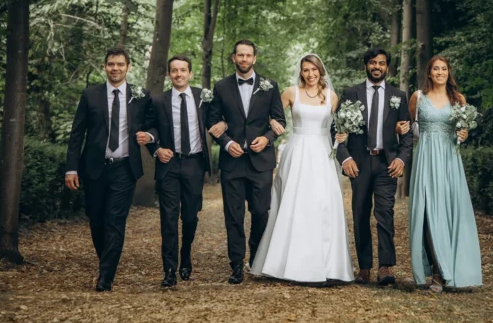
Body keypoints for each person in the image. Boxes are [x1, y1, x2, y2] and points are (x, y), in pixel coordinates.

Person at [249, 54, 354, 284]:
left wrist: (341, 135)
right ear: (301, 71)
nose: (310, 74)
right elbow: (266, 112)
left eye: (314, 69)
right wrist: (272, 122)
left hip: (322, 154)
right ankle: (285, 264)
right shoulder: (290, 93)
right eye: (306, 70)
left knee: (322, 203)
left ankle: (326, 265)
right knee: (294, 203)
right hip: (297, 151)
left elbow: (338, 127)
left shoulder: (332, 97)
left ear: (320, 71)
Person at [65, 48, 154, 292]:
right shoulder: (90, 95)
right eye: (111, 64)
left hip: (125, 167)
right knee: (96, 219)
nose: (115, 69)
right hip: (94, 167)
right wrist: (71, 168)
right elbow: (77, 134)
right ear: (104, 67)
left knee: (115, 220)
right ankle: (106, 260)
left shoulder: (140, 95)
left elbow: (153, 125)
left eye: (120, 65)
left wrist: (150, 135)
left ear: (129, 67)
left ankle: (106, 276)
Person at [205, 40, 287, 284]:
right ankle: (236, 265)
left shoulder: (269, 86)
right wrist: (228, 143)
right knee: (234, 215)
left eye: (248, 55)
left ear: (254, 58)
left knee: (261, 212)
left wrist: (267, 138)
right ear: (233, 58)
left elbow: (280, 121)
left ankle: (257, 258)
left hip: (261, 163)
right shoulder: (221, 87)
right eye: (240, 55)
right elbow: (213, 121)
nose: (244, 59)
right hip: (232, 164)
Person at [336, 48, 414, 285]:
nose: (377, 66)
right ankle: (365, 268)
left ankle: (386, 267)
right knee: (360, 213)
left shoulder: (398, 96)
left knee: (385, 213)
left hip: (386, 163)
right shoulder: (351, 94)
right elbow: (336, 130)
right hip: (359, 163)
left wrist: (401, 159)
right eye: (372, 63)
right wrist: (345, 158)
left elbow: (407, 134)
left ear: (387, 67)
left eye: (381, 63)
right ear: (366, 66)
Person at [408, 55, 482, 292]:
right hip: (426, 159)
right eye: (435, 69)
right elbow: (410, 130)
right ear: (429, 73)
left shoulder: (458, 99)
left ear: (449, 73)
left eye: (444, 69)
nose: (440, 72)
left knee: (451, 213)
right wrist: (403, 128)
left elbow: (463, 130)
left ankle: (455, 269)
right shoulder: (418, 97)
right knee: (428, 212)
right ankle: (438, 273)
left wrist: (464, 134)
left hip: (449, 160)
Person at [141, 55, 213, 289]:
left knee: (190, 217)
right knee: (168, 218)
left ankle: (186, 253)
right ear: (169, 74)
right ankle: (169, 269)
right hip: (169, 164)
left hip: (194, 164)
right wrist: (156, 148)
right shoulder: (159, 100)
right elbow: (150, 128)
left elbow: (218, 118)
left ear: (190, 73)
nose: (179, 74)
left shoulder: (204, 97)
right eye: (174, 70)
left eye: (183, 70)